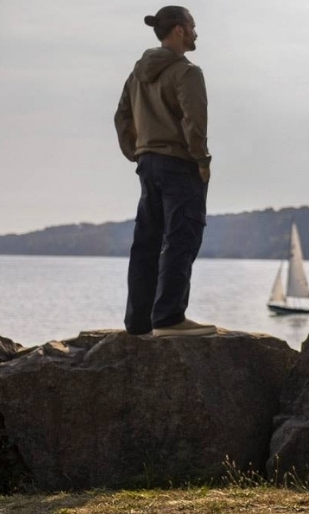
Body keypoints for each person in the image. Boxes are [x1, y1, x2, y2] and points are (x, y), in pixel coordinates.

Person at [114, 6, 216, 337]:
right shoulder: (187, 72)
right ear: (179, 30)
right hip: (179, 164)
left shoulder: (137, 74)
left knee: (146, 241)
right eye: (192, 26)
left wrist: (137, 152)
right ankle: (170, 318)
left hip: (148, 164)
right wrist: (201, 160)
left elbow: (121, 116)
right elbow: (194, 121)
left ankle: (139, 322)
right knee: (181, 237)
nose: (196, 33)